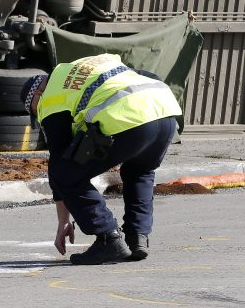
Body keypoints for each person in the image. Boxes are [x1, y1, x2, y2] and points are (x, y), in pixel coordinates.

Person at [21, 53, 181, 265]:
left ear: (38, 93)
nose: (38, 115)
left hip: (128, 117)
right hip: (164, 111)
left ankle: (108, 239)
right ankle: (137, 238)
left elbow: (58, 164)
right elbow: (145, 74)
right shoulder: (79, 68)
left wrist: (63, 221)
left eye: (33, 109)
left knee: (64, 174)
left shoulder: (50, 98)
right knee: (139, 171)